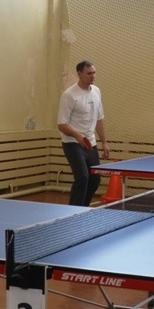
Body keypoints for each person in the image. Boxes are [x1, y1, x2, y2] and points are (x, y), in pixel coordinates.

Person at [58, 60, 111, 206]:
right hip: (73, 144)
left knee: (95, 179)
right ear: (79, 74)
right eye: (89, 73)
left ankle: (83, 208)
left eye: (94, 73)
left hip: (90, 144)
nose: (92, 76)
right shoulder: (69, 95)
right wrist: (77, 135)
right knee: (82, 177)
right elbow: (61, 125)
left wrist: (104, 143)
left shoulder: (96, 91)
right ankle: (73, 211)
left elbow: (99, 119)